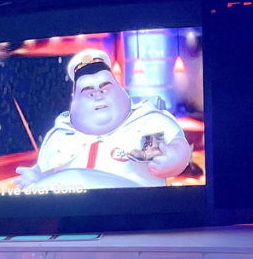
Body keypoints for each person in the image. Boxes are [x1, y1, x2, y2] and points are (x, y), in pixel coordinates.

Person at [15, 50, 191, 191]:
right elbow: (47, 167)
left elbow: (178, 146)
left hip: (135, 213)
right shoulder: (60, 136)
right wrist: (36, 175)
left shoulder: (145, 122)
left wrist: (172, 159)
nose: (98, 96)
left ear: (121, 90)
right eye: (89, 93)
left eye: (105, 89)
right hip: (69, 216)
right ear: (74, 100)